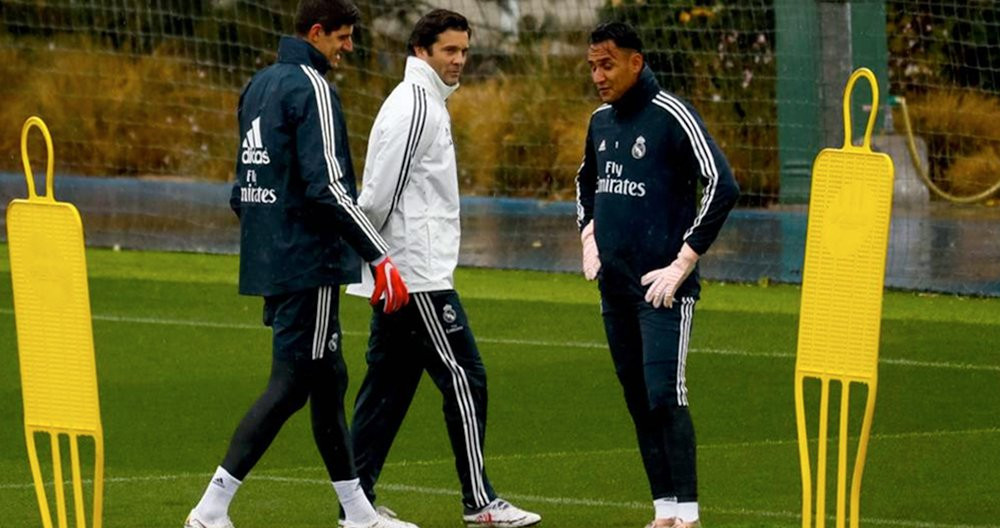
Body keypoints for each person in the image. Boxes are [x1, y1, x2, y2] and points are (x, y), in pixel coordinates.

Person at [183, 1, 414, 527]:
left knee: (329, 377)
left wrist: (268, 242)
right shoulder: (312, 87)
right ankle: (211, 508)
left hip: (272, 256)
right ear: (316, 33)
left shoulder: (258, 85)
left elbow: (244, 188)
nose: (349, 48)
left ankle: (358, 512)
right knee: (291, 384)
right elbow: (328, 186)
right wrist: (378, 255)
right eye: (343, 37)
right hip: (307, 261)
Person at [343, 9, 542, 528]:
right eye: (450, 51)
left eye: (464, 51)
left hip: (408, 268)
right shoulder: (415, 105)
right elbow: (378, 193)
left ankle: (356, 505)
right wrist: (378, 259)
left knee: (387, 386)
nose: (460, 60)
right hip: (415, 274)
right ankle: (479, 501)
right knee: (465, 376)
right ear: (421, 51)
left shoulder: (426, 101)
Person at [575, 21, 740, 528]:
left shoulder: (672, 115)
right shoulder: (600, 121)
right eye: (592, 67)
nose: (599, 76)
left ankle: (689, 516)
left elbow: (722, 184)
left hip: (664, 289)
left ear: (635, 62)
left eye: (607, 64)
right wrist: (588, 236)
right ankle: (664, 511)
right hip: (616, 286)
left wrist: (683, 261)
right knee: (638, 399)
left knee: (666, 394)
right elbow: (586, 181)